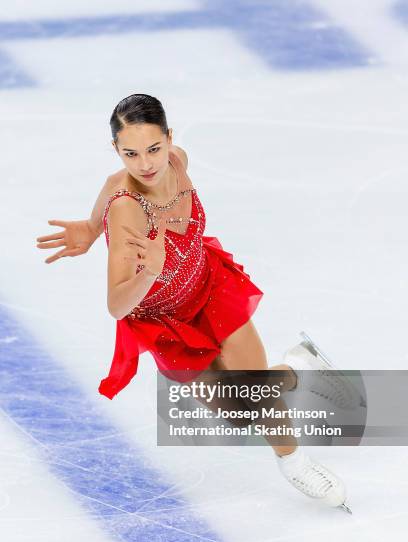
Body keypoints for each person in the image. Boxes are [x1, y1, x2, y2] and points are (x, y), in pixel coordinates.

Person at [36, 93, 354, 513]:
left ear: (169, 139)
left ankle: (294, 462)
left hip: (208, 286)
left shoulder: (178, 161)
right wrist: (143, 266)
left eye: (154, 148)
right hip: (164, 321)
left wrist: (89, 228)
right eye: (130, 154)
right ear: (116, 150)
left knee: (256, 391)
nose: (145, 163)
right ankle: (299, 366)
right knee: (239, 414)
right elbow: (116, 305)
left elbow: (116, 184)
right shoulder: (127, 211)